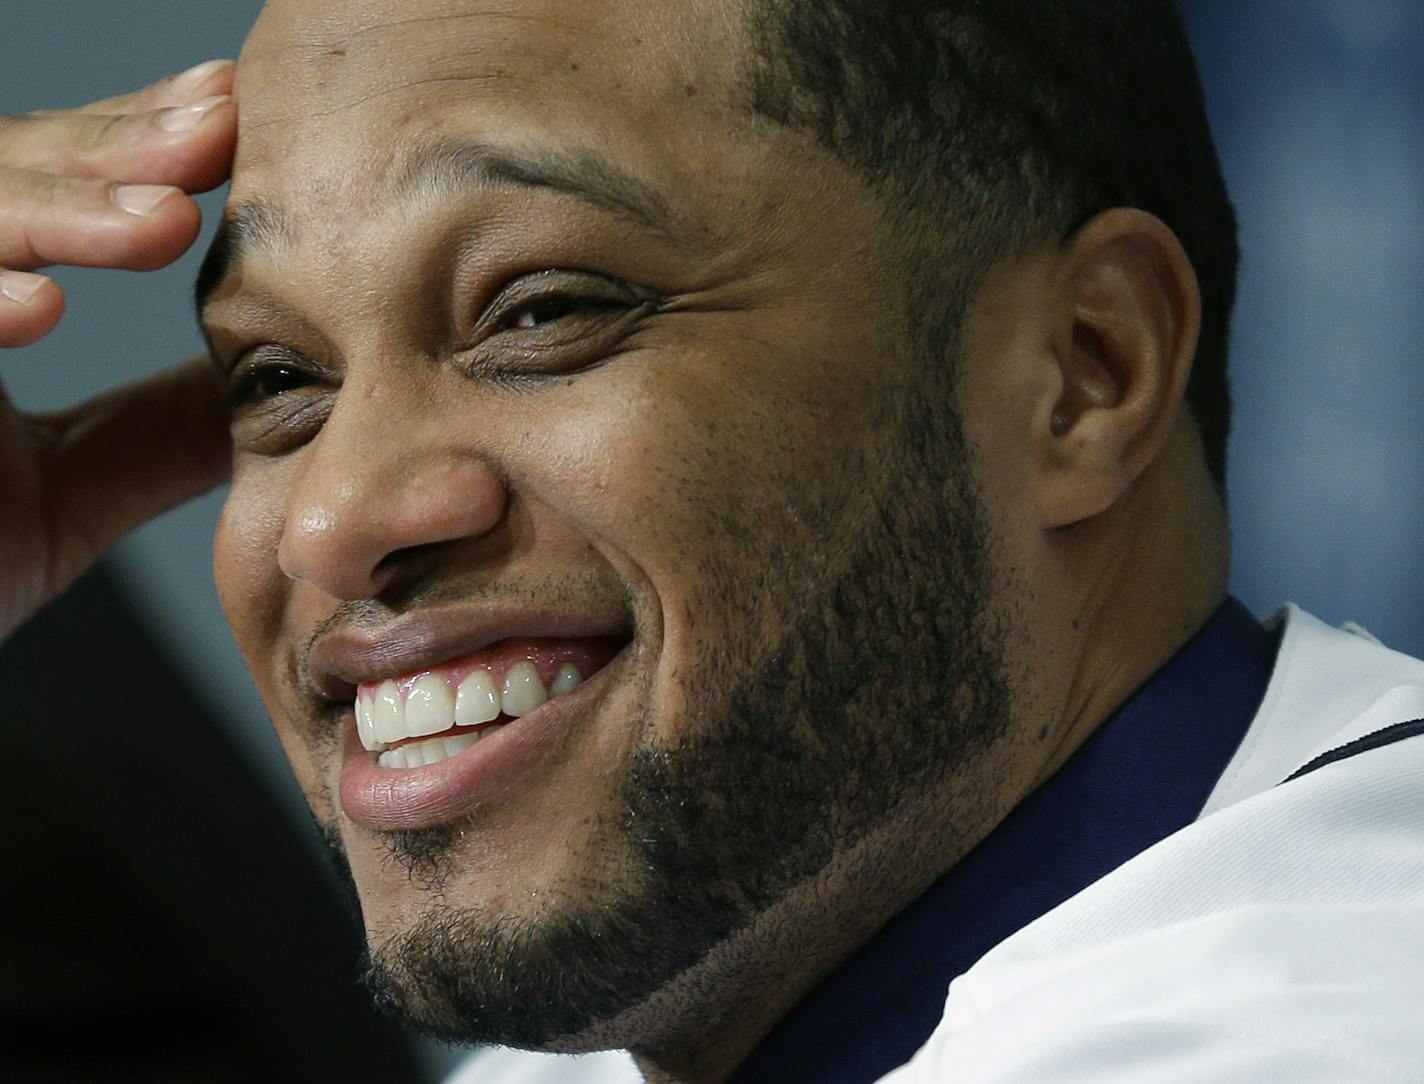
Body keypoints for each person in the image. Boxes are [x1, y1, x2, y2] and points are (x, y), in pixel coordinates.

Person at [2, 2, 1420, 1081]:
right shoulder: (733, 978)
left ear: (1083, 373)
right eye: (275, 379)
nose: (335, 519)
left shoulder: (1322, 1018)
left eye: (542, 309)